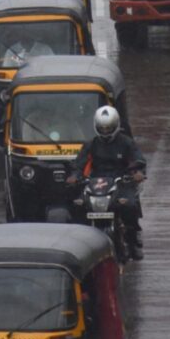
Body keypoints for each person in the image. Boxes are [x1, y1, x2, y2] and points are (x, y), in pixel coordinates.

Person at [68, 105, 146, 253]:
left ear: (116, 125)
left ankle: (133, 238)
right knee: (78, 205)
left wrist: (137, 172)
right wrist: (74, 176)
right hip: (96, 183)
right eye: (102, 128)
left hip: (122, 181)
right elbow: (79, 164)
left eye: (108, 128)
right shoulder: (91, 144)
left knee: (129, 205)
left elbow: (138, 159)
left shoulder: (126, 142)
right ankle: (80, 240)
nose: (105, 131)